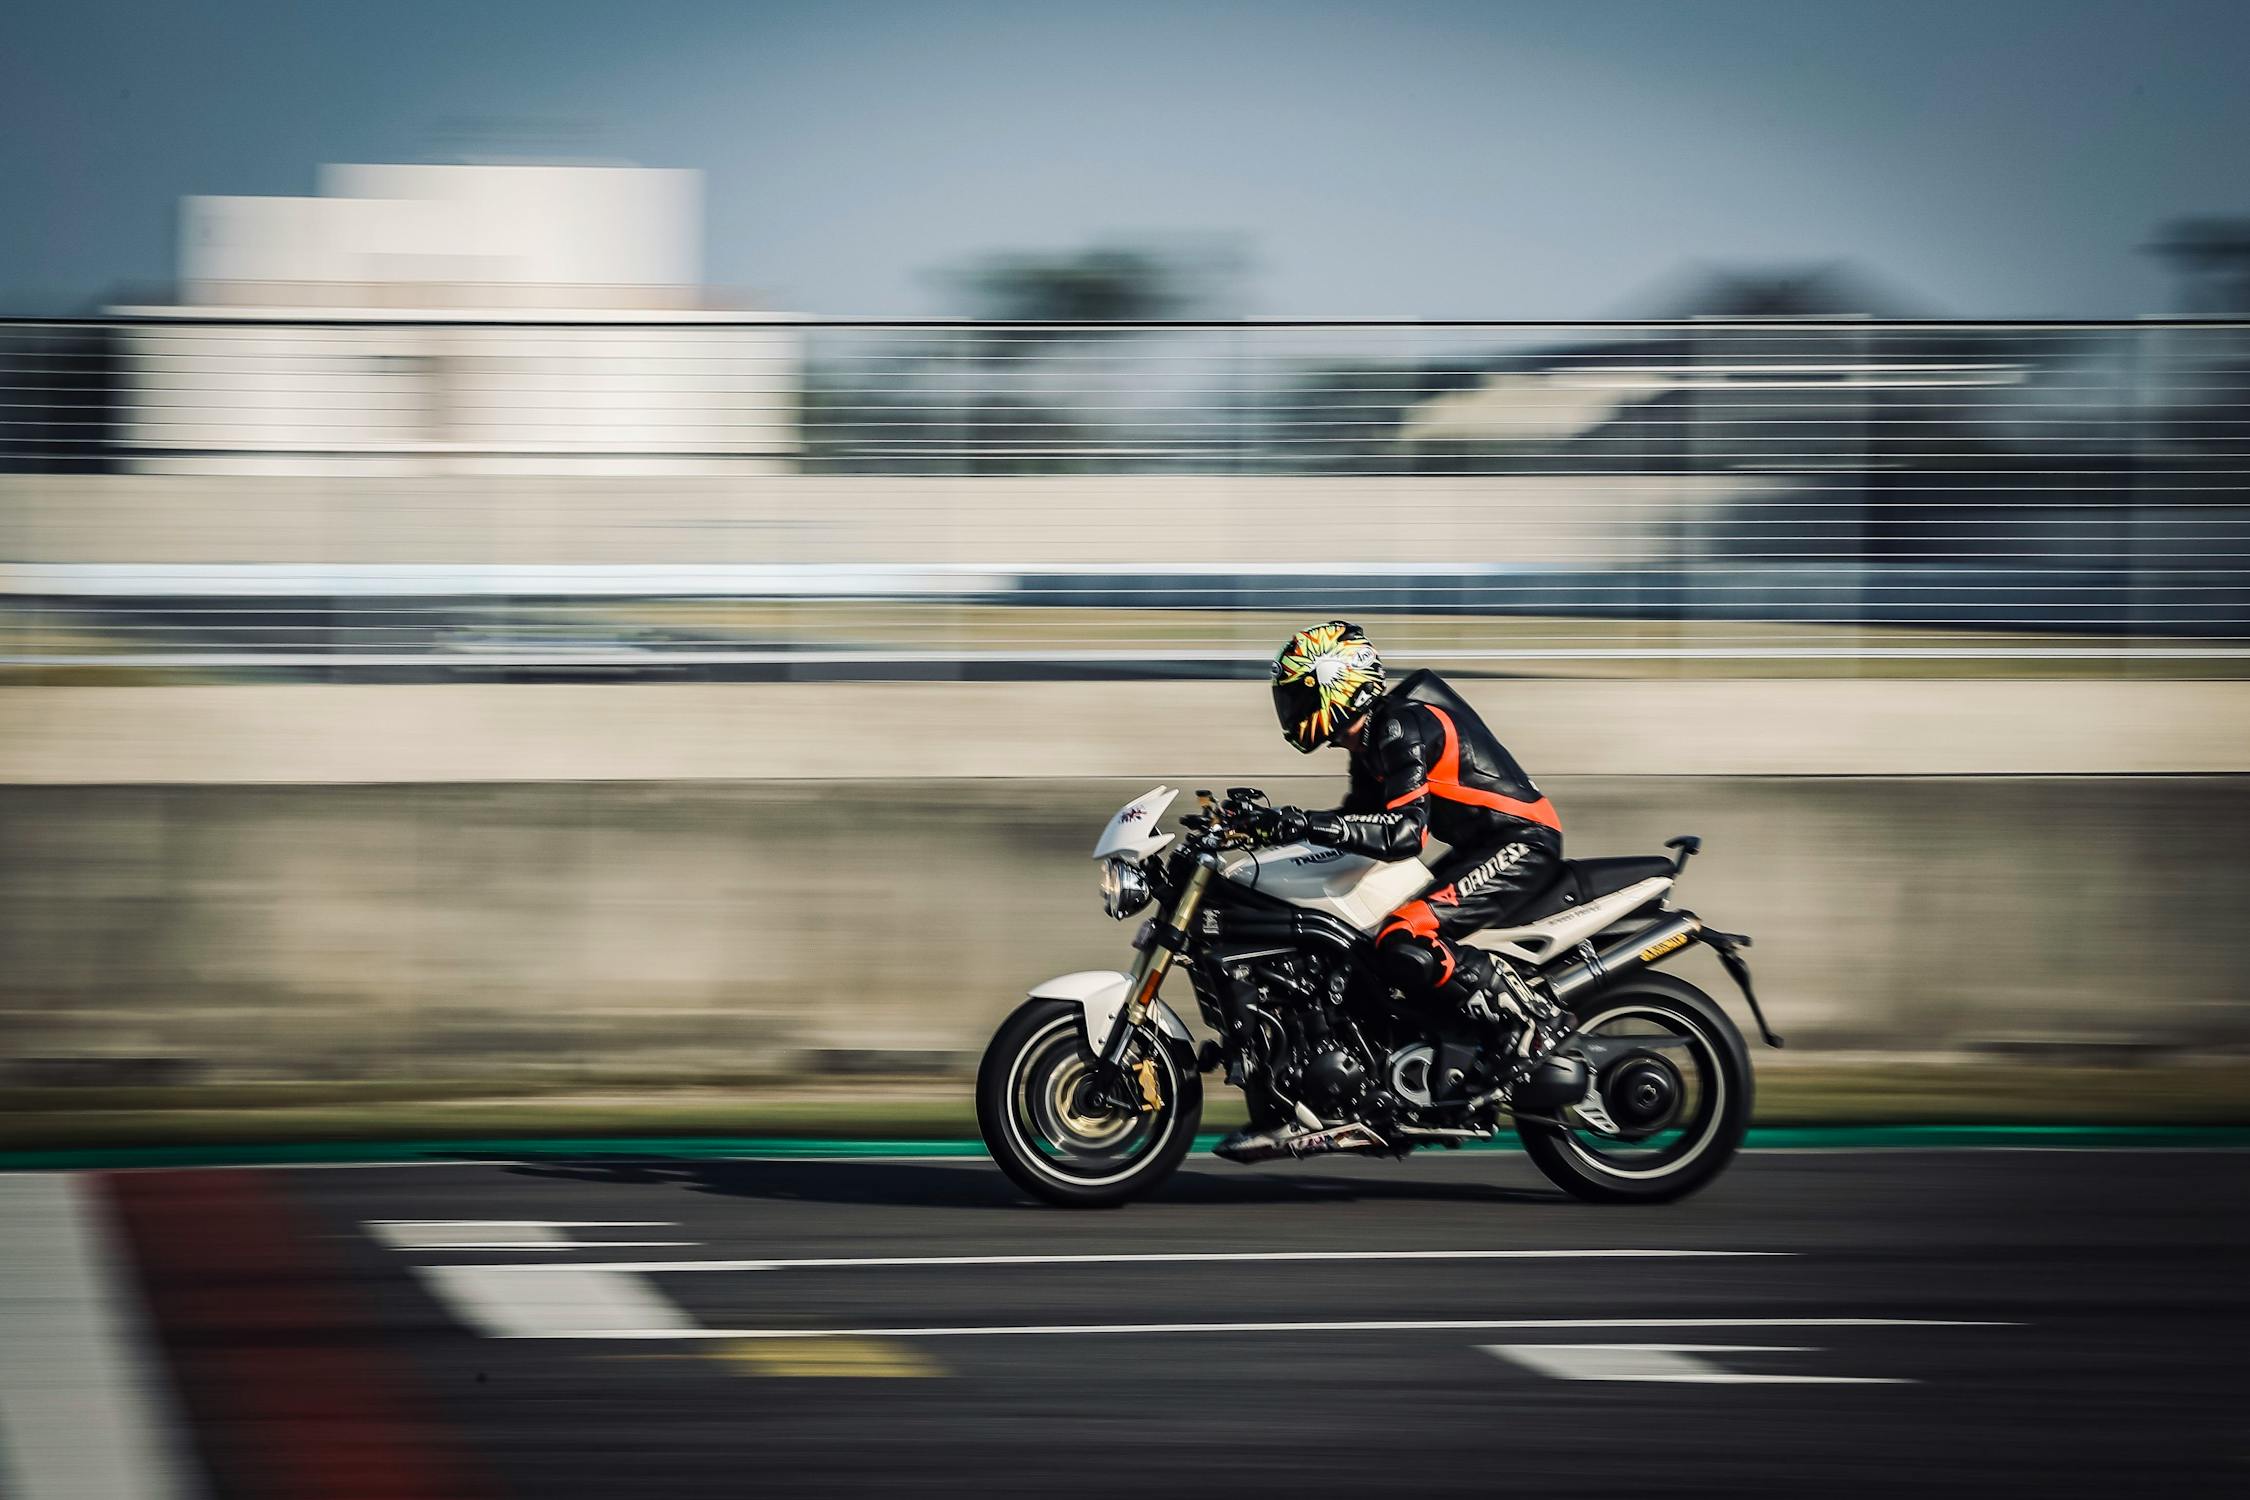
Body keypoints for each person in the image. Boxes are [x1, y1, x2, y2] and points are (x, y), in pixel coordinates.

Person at [1253, 620, 1567, 1043]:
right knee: (1374, 937)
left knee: (1406, 935)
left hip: (1523, 842)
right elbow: (1358, 821)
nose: (1291, 708)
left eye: (1299, 694)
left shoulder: (1400, 726)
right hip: (1484, 845)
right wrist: (1269, 830)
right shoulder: (1370, 742)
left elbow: (1405, 834)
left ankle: (1527, 1016)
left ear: (1337, 683)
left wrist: (1305, 822)